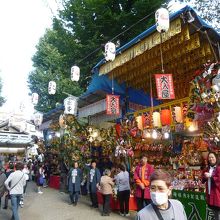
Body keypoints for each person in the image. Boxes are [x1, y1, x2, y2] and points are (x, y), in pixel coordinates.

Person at [202, 152, 220, 220]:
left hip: (217, 194)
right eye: (209, 157)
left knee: (218, 213)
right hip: (210, 194)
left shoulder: (218, 168)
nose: (211, 159)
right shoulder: (208, 168)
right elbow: (203, 178)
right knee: (215, 213)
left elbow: (219, 179)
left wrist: (211, 176)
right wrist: (205, 177)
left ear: (216, 158)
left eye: (212, 157)